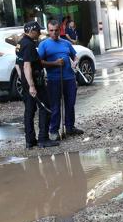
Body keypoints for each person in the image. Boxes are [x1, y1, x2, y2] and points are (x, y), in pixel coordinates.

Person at [39, 20, 84, 139]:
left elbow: (74, 56)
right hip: (54, 79)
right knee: (55, 106)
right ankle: (54, 130)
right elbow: (39, 62)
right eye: (51, 31)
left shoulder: (66, 43)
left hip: (69, 78)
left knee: (70, 104)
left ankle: (70, 127)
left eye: (56, 30)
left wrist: (75, 62)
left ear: (60, 30)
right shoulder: (43, 45)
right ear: (48, 31)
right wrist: (55, 63)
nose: (54, 33)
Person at [16, 21, 58, 149]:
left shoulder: (20, 43)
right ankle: (43, 139)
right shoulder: (28, 45)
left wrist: (23, 80)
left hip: (26, 81)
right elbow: (27, 65)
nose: (39, 33)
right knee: (45, 108)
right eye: (38, 31)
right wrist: (32, 85)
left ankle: (30, 141)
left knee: (29, 110)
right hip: (34, 82)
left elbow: (18, 64)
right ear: (31, 31)